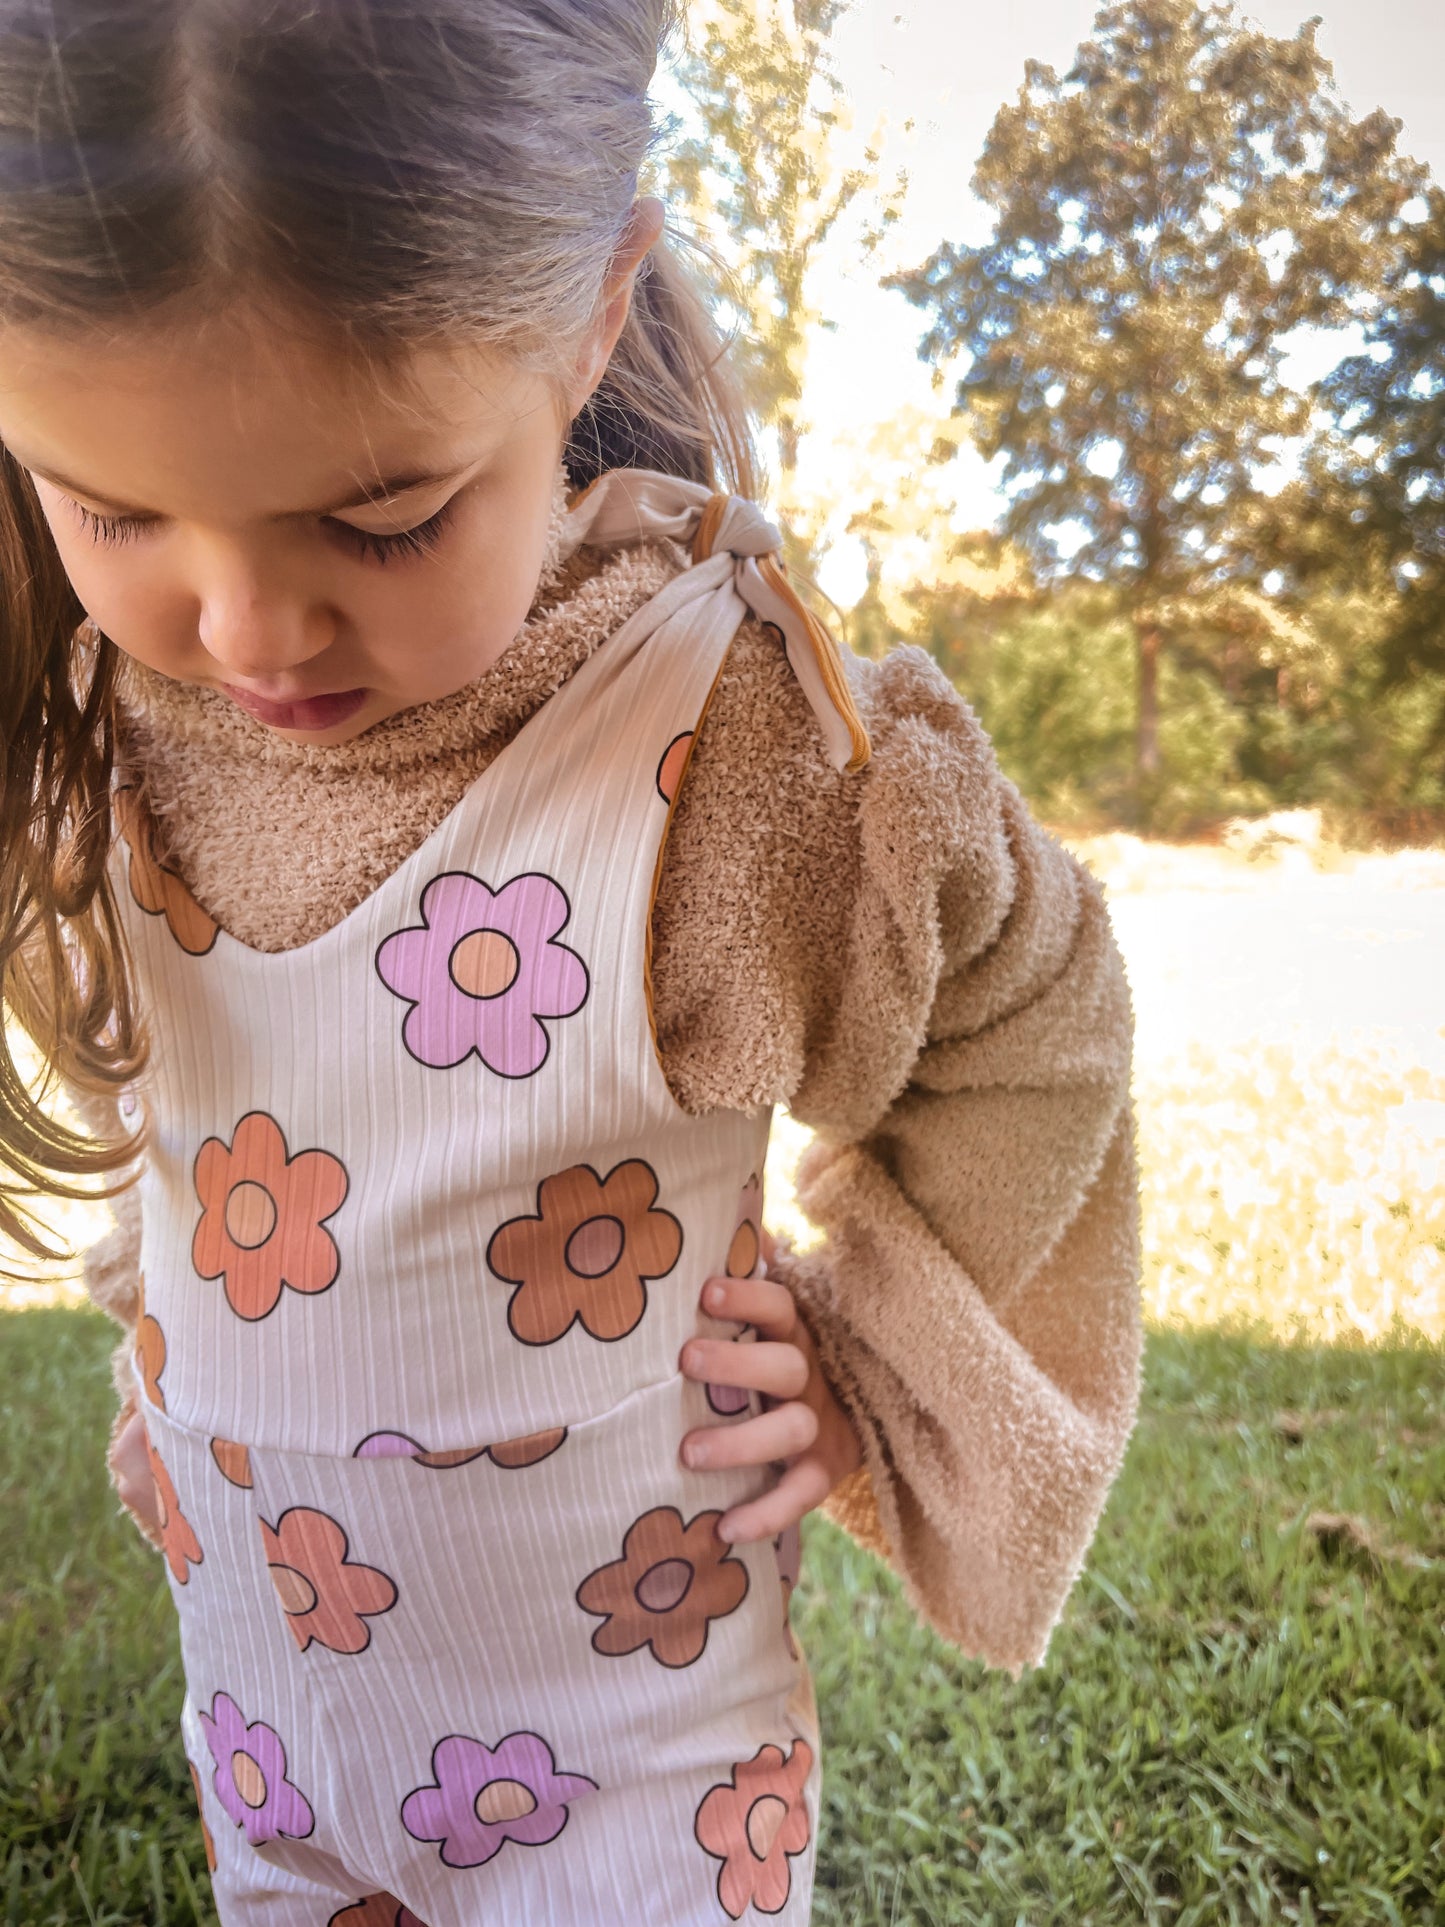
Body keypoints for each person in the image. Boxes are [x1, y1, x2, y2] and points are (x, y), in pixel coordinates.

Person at [0, 2, 1142, 1921]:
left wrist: (884, 1340)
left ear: (594, 314)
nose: (248, 624)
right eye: (115, 506)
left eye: (385, 515)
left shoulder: (724, 745)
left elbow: (1031, 1019)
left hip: (633, 1775)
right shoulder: (112, 700)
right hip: (278, 1744)